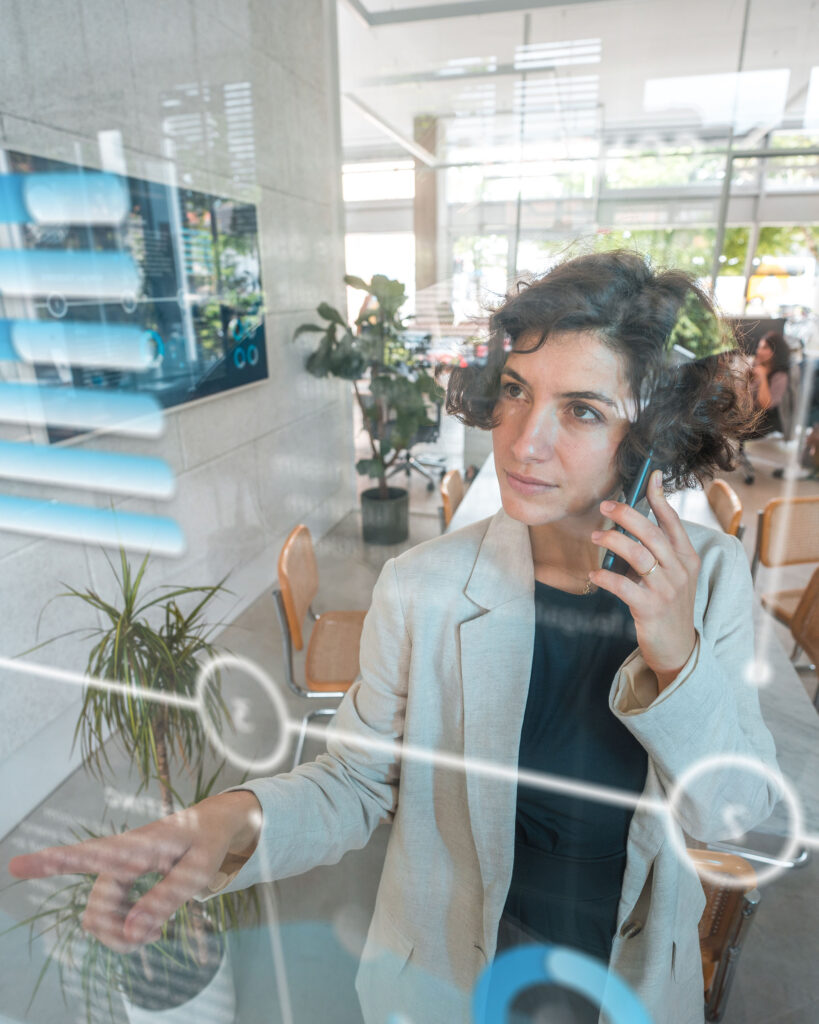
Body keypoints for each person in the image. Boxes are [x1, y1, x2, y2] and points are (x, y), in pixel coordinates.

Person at [9, 251, 781, 1024]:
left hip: (629, 981)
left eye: (582, 410)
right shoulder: (424, 585)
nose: (520, 442)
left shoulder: (706, 581)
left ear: (652, 436)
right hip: (449, 977)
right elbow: (357, 781)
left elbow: (738, 821)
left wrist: (675, 657)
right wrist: (226, 819)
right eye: (515, 391)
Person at [738, 330, 792, 483]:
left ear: (775, 352)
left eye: (764, 348)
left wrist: (761, 377)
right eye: (759, 347)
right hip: (747, 412)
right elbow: (742, 396)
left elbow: (765, 405)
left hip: (766, 419)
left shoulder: (780, 375)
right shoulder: (755, 365)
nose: (759, 351)